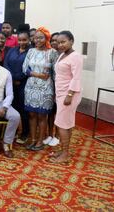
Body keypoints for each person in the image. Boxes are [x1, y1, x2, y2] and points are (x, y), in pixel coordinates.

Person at [23, 27, 58, 151]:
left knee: (42, 116)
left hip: (46, 88)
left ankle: (40, 141)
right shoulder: (31, 51)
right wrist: (38, 75)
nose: (37, 40)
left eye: (41, 37)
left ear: (46, 38)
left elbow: (55, 72)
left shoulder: (52, 52)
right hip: (31, 87)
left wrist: (56, 91)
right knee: (32, 115)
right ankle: (33, 139)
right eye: (36, 37)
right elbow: (24, 69)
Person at [51, 31, 83, 163]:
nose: (60, 45)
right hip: (61, 93)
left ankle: (64, 154)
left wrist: (69, 95)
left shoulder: (76, 56)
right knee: (66, 123)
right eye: (58, 42)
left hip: (70, 94)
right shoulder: (63, 54)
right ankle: (64, 150)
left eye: (63, 42)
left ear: (72, 41)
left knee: (62, 124)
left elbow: (77, 77)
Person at [4, 31, 30, 144]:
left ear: (29, 40)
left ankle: (25, 133)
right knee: (12, 107)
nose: (22, 42)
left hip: (24, 83)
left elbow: (30, 67)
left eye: (24, 40)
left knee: (23, 109)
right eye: (20, 40)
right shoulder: (12, 50)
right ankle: (13, 132)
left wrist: (19, 78)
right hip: (11, 83)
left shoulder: (31, 52)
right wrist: (12, 79)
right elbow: (5, 64)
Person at [44, 31, 62, 147]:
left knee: (59, 114)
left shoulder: (64, 55)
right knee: (50, 113)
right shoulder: (50, 54)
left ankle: (57, 136)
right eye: (52, 41)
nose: (54, 43)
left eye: (57, 41)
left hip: (61, 88)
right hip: (50, 86)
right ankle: (50, 134)